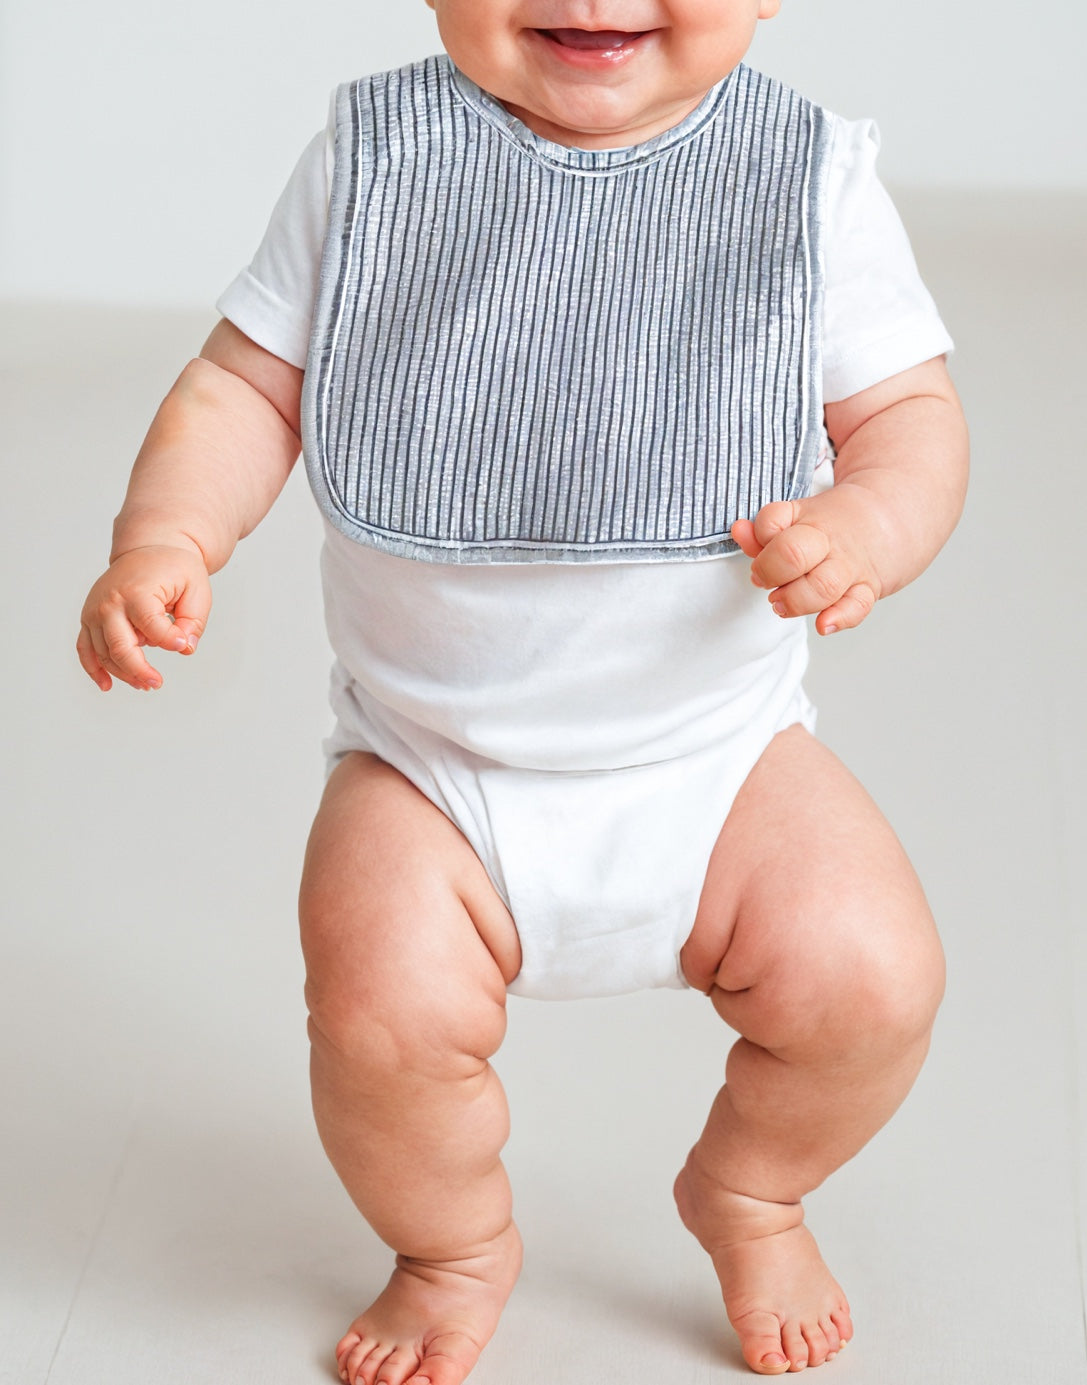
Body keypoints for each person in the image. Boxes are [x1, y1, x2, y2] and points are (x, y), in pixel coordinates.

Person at [77, 1, 969, 1379]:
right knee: (376, 1023)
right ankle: (452, 1244)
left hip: (721, 762)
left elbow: (908, 418)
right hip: (432, 771)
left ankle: (752, 1188)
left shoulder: (806, 184)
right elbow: (248, 389)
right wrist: (167, 538)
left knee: (879, 982)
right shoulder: (376, 162)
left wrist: (871, 525)